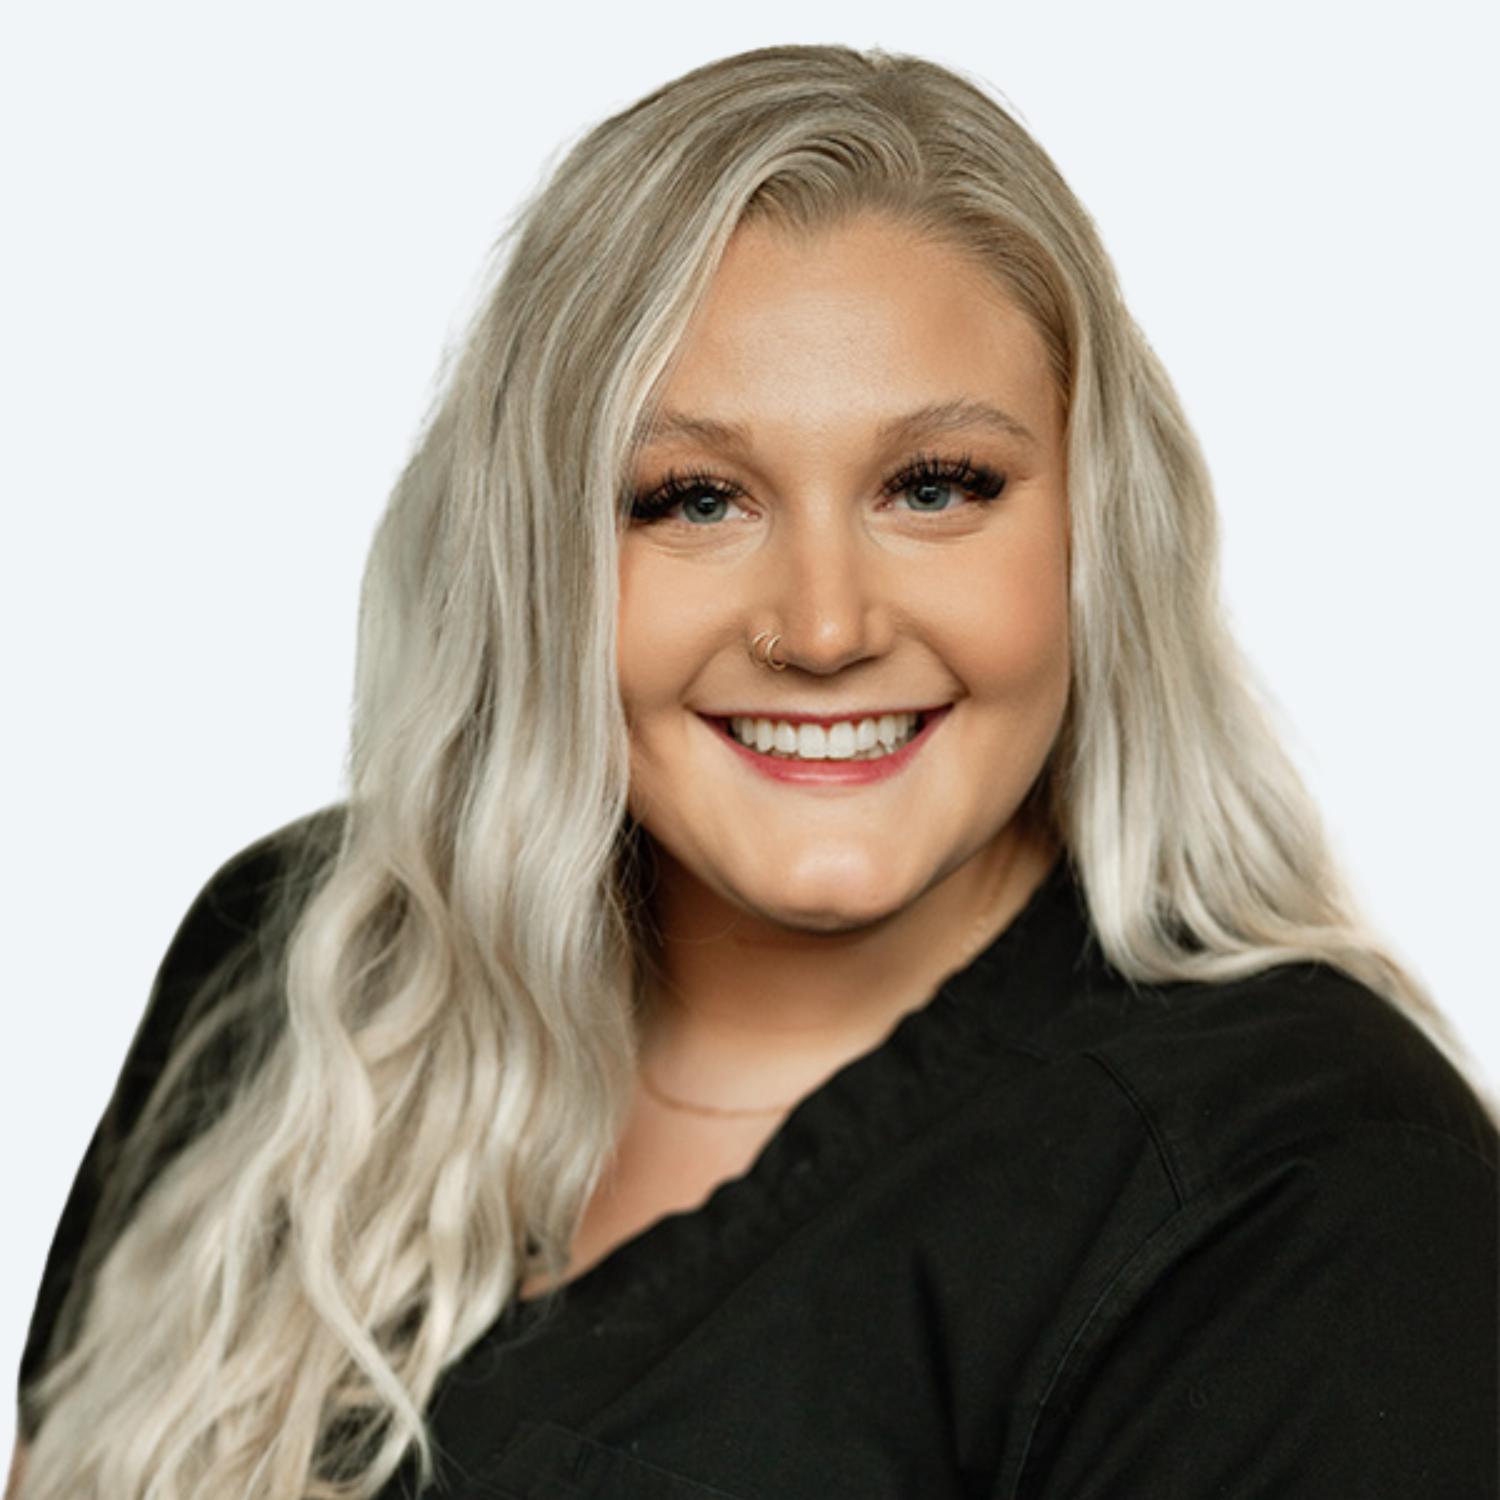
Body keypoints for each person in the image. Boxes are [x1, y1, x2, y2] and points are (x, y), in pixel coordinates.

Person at [10, 44, 1496, 1500]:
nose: (825, 627)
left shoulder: (1310, 1195)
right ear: (538, 555)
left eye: (936, 487)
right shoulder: (305, 962)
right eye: (695, 499)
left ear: (1100, 532)